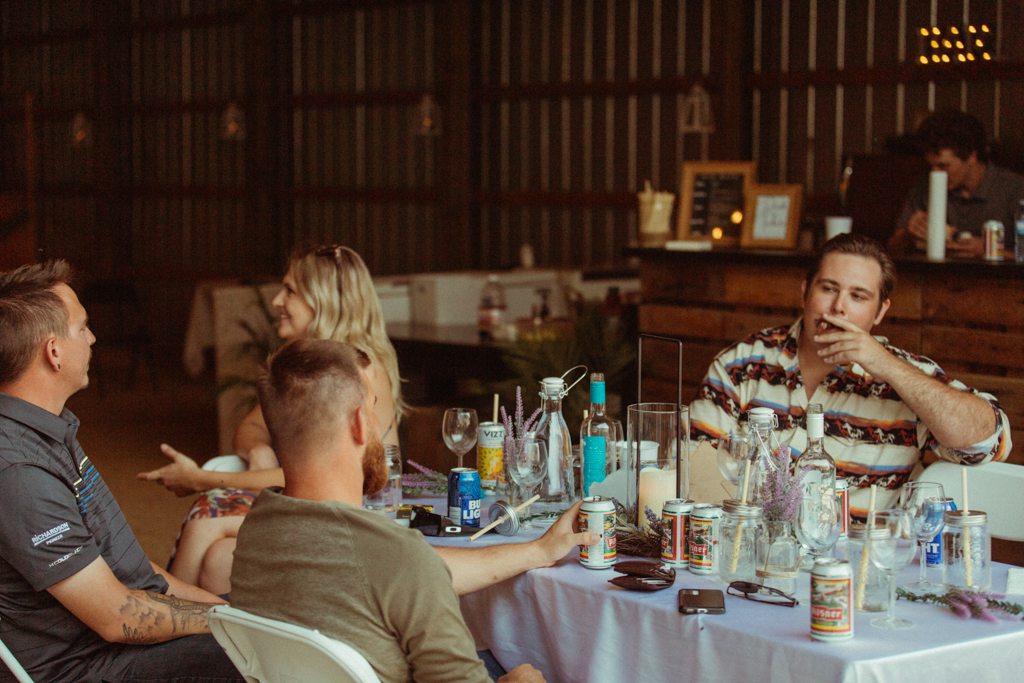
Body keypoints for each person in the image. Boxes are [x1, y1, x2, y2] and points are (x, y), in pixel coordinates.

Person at [231, 339, 594, 682]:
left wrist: (539, 550)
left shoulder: (258, 529)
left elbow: (399, 571)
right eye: (373, 406)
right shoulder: (396, 559)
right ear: (359, 423)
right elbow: (405, 569)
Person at [0, 261, 245, 683]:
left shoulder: (47, 428)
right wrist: (242, 625)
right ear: (54, 351)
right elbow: (117, 617)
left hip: (113, 645)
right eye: (82, 327)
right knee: (269, 655)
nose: (92, 338)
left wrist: (234, 613)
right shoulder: (19, 471)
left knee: (279, 622)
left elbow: (133, 570)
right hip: (86, 666)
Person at [137, 245, 403, 594]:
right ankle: (180, 617)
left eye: (290, 291)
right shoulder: (307, 368)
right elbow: (248, 428)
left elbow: (320, 475)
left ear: (323, 300)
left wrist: (200, 478)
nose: (277, 301)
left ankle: (163, 613)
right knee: (217, 557)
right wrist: (258, 449)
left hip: (349, 509)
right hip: (306, 501)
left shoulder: (359, 372)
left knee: (206, 520)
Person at [689, 234, 1011, 515]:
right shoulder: (740, 364)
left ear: (880, 311)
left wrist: (886, 366)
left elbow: (988, 443)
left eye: (858, 296)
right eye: (829, 288)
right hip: (753, 553)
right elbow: (695, 474)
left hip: (860, 559)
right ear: (805, 293)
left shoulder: (908, 376)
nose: (838, 307)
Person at [889, 108, 1024, 258]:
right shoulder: (925, 184)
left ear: (972, 156)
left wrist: (989, 250)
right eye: (931, 166)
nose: (935, 174)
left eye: (944, 166)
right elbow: (892, 250)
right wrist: (908, 234)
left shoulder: (1014, 189)